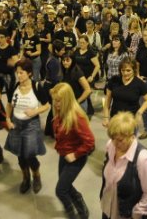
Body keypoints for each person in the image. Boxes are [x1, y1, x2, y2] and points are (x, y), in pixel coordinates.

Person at [101, 111, 147, 219]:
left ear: (131, 136)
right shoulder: (111, 146)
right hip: (108, 208)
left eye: (119, 140)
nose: (114, 143)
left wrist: (136, 213)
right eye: (112, 138)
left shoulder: (143, 159)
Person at [5, 58, 51, 194]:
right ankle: (25, 177)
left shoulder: (37, 86)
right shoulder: (14, 86)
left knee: (30, 154)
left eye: (22, 73)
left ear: (30, 73)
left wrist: (35, 111)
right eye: (17, 73)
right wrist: (7, 118)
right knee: (20, 154)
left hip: (31, 124)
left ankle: (36, 176)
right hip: (16, 124)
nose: (18, 75)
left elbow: (47, 105)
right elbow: (9, 104)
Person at [50, 82, 95, 218]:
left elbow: (90, 142)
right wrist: (58, 143)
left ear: (67, 100)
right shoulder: (60, 113)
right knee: (66, 186)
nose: (56, 104)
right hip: (63, 154)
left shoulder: (77, 117)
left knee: (61, 190)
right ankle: (77, 205)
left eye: (58, 101)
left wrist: (75, 155)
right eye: (54, 101)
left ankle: (74, 213)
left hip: (76, 158)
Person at [102, 57, 147, 127]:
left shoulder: (139, 83)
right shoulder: (114, 80)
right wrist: (106, 117)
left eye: (128, 70)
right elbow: (107, 101)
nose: (125, 73)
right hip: (115, 119)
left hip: (130, 121)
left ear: (134, 70)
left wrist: (139, 112)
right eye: (123, 70)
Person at [0, 30, 19, 103]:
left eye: (2, 37)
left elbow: (17, 63)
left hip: (8, 76)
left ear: (6, 38)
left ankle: (10, 113)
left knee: (10, 97)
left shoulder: (11, 49)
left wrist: (13, 63)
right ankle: (0, 112)